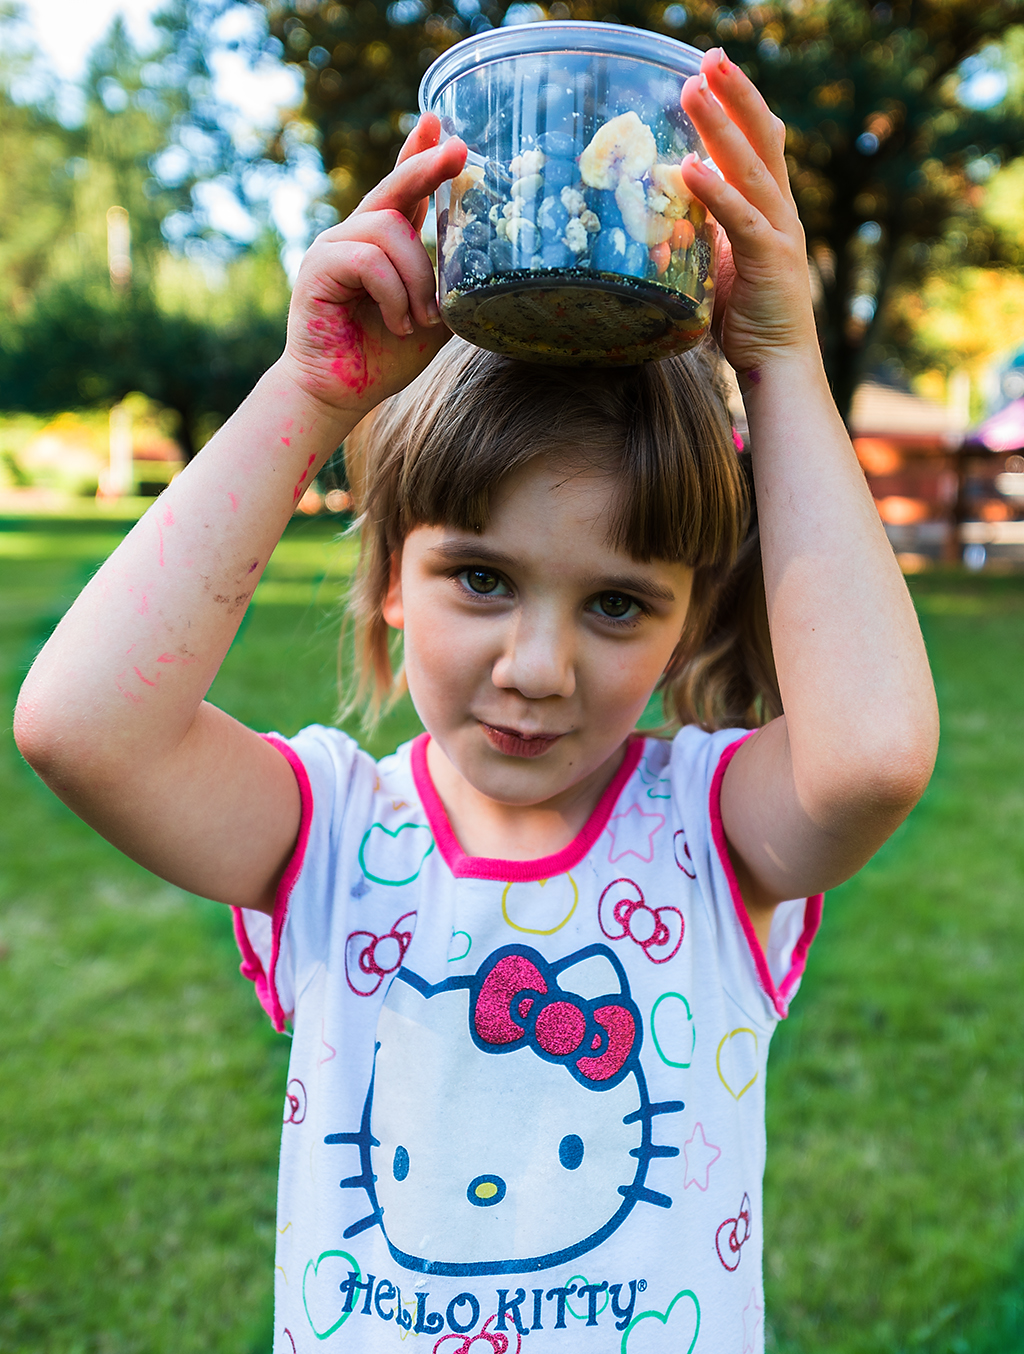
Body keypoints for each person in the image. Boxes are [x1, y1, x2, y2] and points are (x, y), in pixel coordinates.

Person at [15, 47, 938, 1354]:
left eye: (618, 602)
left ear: (686, 616)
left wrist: (781, 361)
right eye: (484, 578)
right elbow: (77, 725)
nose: (538, 666)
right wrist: (311, 394)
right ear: (393, 579)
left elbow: (876, 755)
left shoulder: (713, 836)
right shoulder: (328, 834)